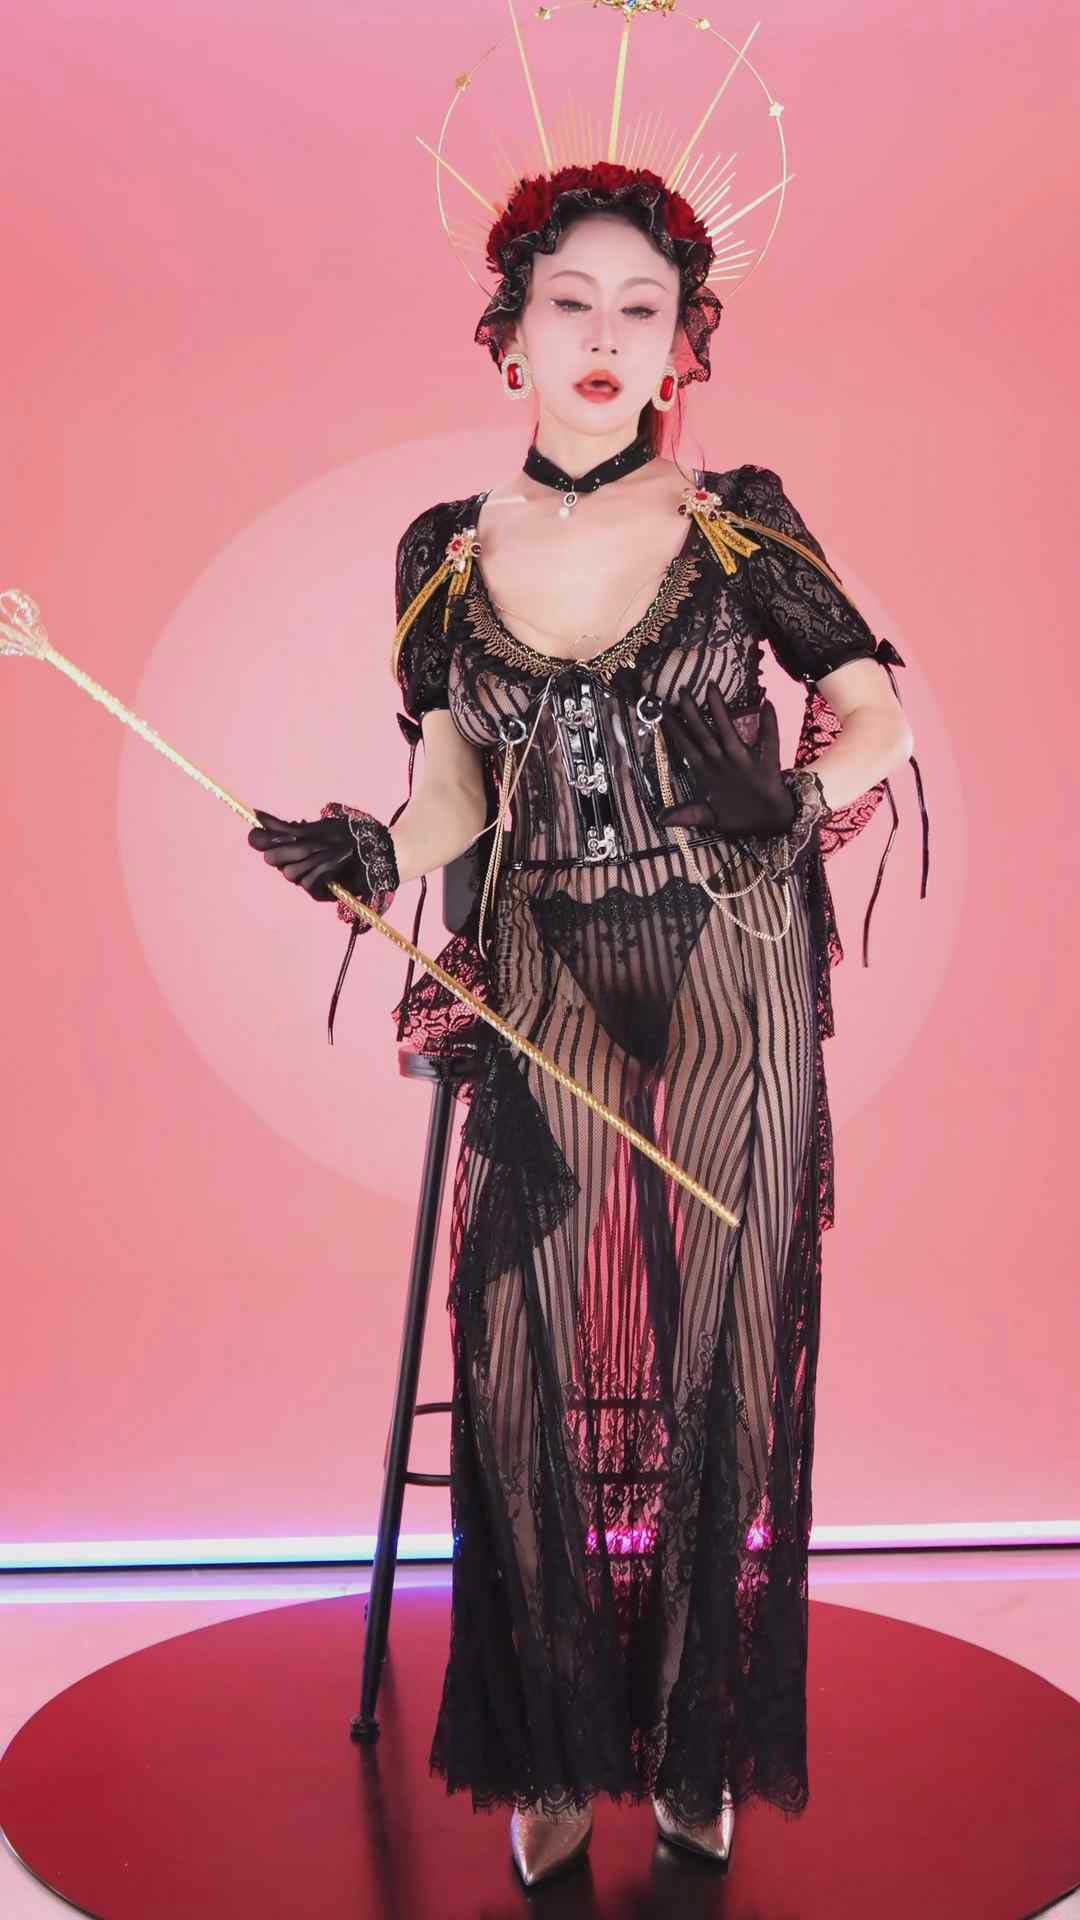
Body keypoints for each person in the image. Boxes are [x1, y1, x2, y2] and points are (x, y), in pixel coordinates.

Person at [248, 166, 929, 1888]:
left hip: (733, 955)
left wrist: (792, 802)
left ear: (685, 342)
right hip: (542, 954)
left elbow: (877, 714)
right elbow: (454, 787)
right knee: (521, 1353)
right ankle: (551, 1746)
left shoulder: (738, 525)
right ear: (511, 335)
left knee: (727, 1355)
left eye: (644, 308)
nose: (608, 336)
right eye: (574, 304)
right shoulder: (447, 550)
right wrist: (374, 853)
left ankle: (695, 1746)